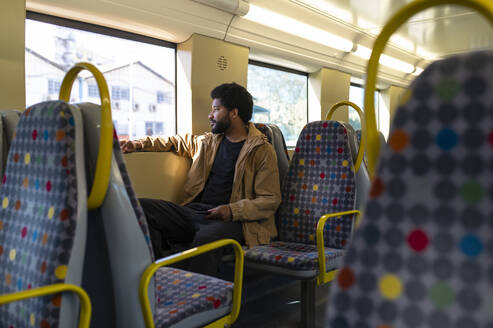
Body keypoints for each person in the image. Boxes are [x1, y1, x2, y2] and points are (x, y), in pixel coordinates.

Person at [120, 82, 281, 275]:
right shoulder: (208, 142)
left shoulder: (262, 151)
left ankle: (199, 294)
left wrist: (231, 210)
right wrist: (137, 145)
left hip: (235, 221)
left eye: (216, 109)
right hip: (196, 211)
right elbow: (175, 142)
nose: (210, 115)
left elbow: (270, 200)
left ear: (234, 113)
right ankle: (159, 276)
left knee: (205, 240)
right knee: (141, 208)